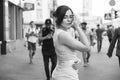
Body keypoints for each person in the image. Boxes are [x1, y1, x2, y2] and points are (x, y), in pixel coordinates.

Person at [52, 5, 90, 80]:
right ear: (58, 18)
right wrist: (78, 27)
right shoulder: (63, 35)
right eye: (65, 17)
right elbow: (87, 47)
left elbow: (64, 54)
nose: (69, 20)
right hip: (66, 75)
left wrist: (76, 60)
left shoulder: (60, 32)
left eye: (70, 17)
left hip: (65, 73)